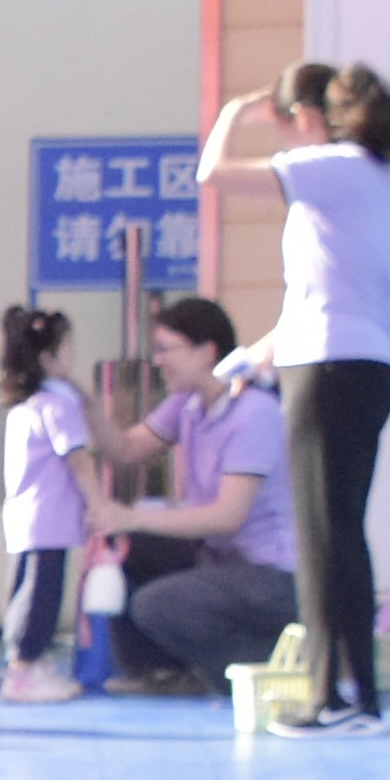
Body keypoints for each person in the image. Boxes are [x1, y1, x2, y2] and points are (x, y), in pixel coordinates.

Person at [201, 59, 390, 732]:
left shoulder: (331, 166)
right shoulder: (377, 178)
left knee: (323, 540)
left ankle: (335, 697)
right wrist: (251, 359)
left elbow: (214, 175)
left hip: (328, 370)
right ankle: (356, 696)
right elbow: (314, 299)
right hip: (360, 363)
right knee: (338, 532)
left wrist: (235, 111)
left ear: (305, 116)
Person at [95, 294, 293, 698]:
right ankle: (161, 673)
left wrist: (132, 516)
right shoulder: (187, 404)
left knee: (158, 604)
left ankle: (258, 671)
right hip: (223, 557)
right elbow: (126, 450)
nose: (159, 361)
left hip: (271, 576)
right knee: (132, 547)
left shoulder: (253, 412)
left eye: (167, 350)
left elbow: (226, 517)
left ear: (207, 352)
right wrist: (75, 401)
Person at [0, 302, 93, 705]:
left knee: (24, 590)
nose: (73, 356)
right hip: (48, 518)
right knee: (41, 596)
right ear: (48, 358)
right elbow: (78, 459)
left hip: (27, 519)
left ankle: (25, 662)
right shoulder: (59, 404)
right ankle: (25, 670)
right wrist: (98, 502)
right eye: (67, 347)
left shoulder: (26, 407)